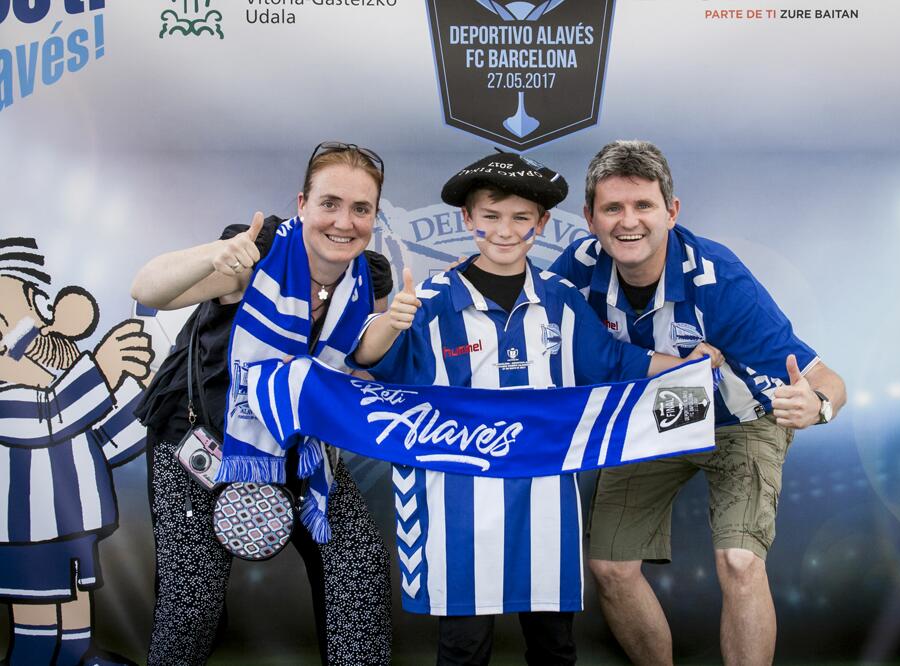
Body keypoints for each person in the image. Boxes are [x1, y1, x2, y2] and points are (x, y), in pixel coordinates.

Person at [349, 152, 722, 666]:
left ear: (541, 223)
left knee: (554, 645)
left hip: (546, 501)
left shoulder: (563, 300)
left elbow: (617, 362)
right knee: (463, 647)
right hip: (462, 502)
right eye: (491, 216)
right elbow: (373, 365)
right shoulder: (431, 299)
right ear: (468, 219)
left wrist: (687, 364)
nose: (505, 231)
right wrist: (391, 322)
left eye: (521, 218)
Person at [548, 140, 848, 666]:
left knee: (738, 561)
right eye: (612, 208)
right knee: (611, 569)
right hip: (652, 419)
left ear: (672, 210)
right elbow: (520, 307)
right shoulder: (578, 268)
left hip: (741, 420)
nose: (628, 222)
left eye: (643, 205)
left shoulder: (719, 279)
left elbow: (826, 376)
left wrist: (817, 405)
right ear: (590, 218)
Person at [131, 142, 393, 666]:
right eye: (330, 203)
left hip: (302, 450)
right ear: (303, 203)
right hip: (200, 445)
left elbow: (365, 359)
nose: (345, 221)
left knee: (358, 570)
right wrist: (214, 255)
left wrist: (395, 327)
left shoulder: (371, 276)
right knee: (191, 605)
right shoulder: (259, 251)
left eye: (361, 209)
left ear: (374, 216)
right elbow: (148, 289)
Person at [0, 238, 152, 666]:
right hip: (27, 535)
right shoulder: (8, 399)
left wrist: (156, 395)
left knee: (73, 630)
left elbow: (109, 436)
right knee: (36, 638)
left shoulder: (64, 388)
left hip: (73, 528)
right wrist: (102, 368)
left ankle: (80, 657)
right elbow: (49, 417)